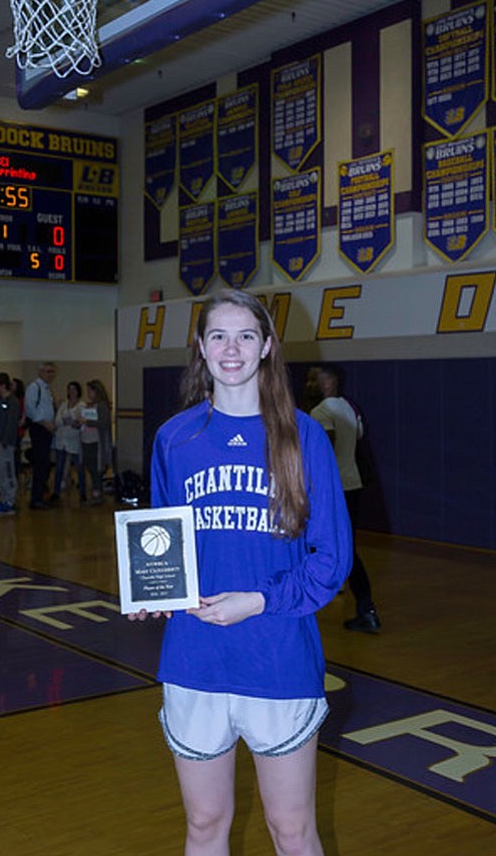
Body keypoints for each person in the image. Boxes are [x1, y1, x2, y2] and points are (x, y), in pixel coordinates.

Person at [131, 289, 352, 856]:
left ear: (267, 347)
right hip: (195, 657)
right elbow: (161, 546)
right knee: (204, 825)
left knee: (291, 828)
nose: (232, 349)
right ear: (201, 348)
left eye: (246, 335)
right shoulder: (174, 438)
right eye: (219, 336)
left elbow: (331, 562)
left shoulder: (302, 437)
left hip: (277, 655)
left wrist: (256, 601)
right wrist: (154, 589)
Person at [306, 363, 381, 634]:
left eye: (313, 380)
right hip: (353, 483)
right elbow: (357, 438)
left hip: (332, 490)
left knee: (338, 548)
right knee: (339, 546)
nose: (309, 385)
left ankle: (365, 607)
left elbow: (323, 450)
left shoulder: (321, 412)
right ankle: (356, 601)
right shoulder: (349, 407)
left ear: (329, 382)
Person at [25, 361, 57, 509]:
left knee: (44, 464)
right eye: (47, 371)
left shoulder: (46, 389)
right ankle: (36, 499)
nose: (50, 375)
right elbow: (31, 410)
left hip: (46, 429)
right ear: (40, 372)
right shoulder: (34, 388)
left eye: (52, 372)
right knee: (40, 463)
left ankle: (39, 496)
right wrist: (45, 423)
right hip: (39, 428)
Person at [49, 381, 86, 503]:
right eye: (69, 389)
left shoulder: (82, 406)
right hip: (62, 439)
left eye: (74, 389)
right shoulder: (63, 405)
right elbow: (58, 420)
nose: (71, 392)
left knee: (79, 467)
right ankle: (56, 491)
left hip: (74, 439)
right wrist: (64, 422)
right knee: (59, 466)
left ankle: (83, 492)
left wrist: (76, 423)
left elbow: (83, 423)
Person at [0, 372, 20, 516]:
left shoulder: (12, 402)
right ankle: (4, 500)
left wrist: (5, 441)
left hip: (5, 444)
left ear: (2, 385)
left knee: (8, 472)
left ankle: (10, 502)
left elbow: (11, 423)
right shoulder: (1, 401)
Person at [79, 379, 112, 505]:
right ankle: (94, 493)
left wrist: (87, 422)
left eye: (90, 391)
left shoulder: (102, 406)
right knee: (90, 468)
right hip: (87, 440)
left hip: (96, 442)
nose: (88, 393)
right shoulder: (89, 405)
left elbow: (104, 423)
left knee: (96, 469)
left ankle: (97, 495)